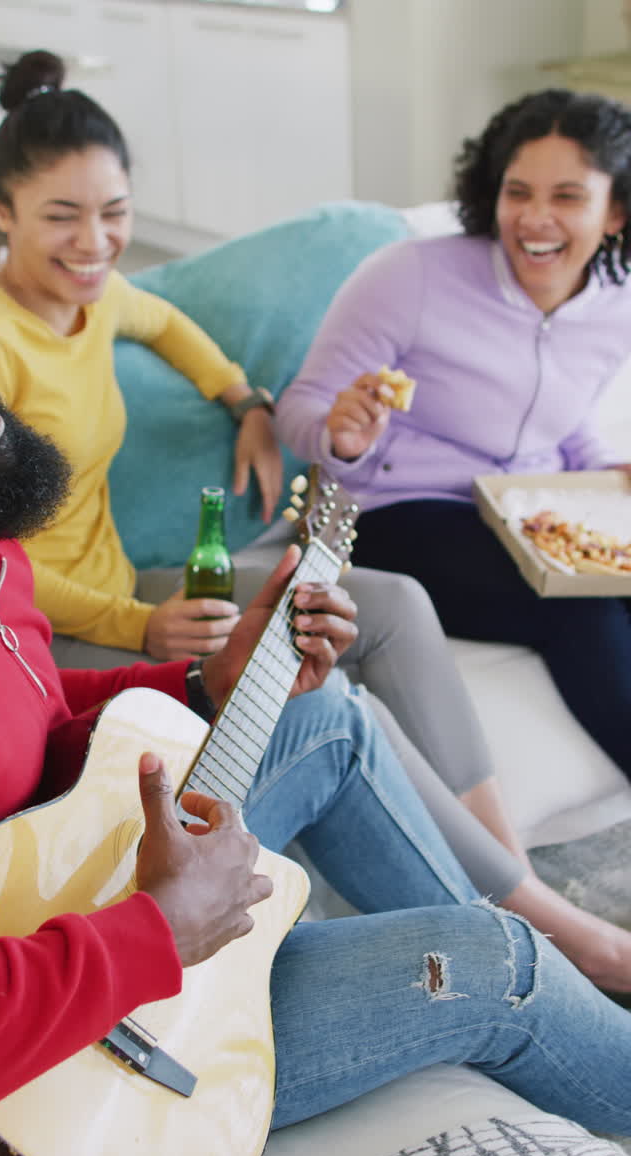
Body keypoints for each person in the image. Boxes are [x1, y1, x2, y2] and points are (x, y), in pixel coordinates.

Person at [0, 311, 631, 1156]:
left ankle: (554, 966)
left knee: (321, 718)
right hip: (36, 1082)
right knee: (494, 961)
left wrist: (202, 682)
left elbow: (20, 714)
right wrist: (157, 931)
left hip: (63, 898)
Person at [0, 48, 541, 904]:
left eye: (115, 213)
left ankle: (507, 859)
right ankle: (520, 904)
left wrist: (246, 401)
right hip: (51, 632)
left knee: (394, 605)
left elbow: (166, 323)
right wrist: (140, 625)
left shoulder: (91, 294)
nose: (96, 243)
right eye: (62, 217)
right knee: (325, 701)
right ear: (2, 211)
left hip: (129, 588)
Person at [275, 88, 631, 785]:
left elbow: (564, 416)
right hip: (391, 512)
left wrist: (608, 470)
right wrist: (342, 435)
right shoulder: (410, 276)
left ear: (615, 211)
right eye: (517, 192)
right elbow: (302, 409)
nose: (534, 218)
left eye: (567, 197)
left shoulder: (616, 305)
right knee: (580, 607)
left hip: (524, 513)